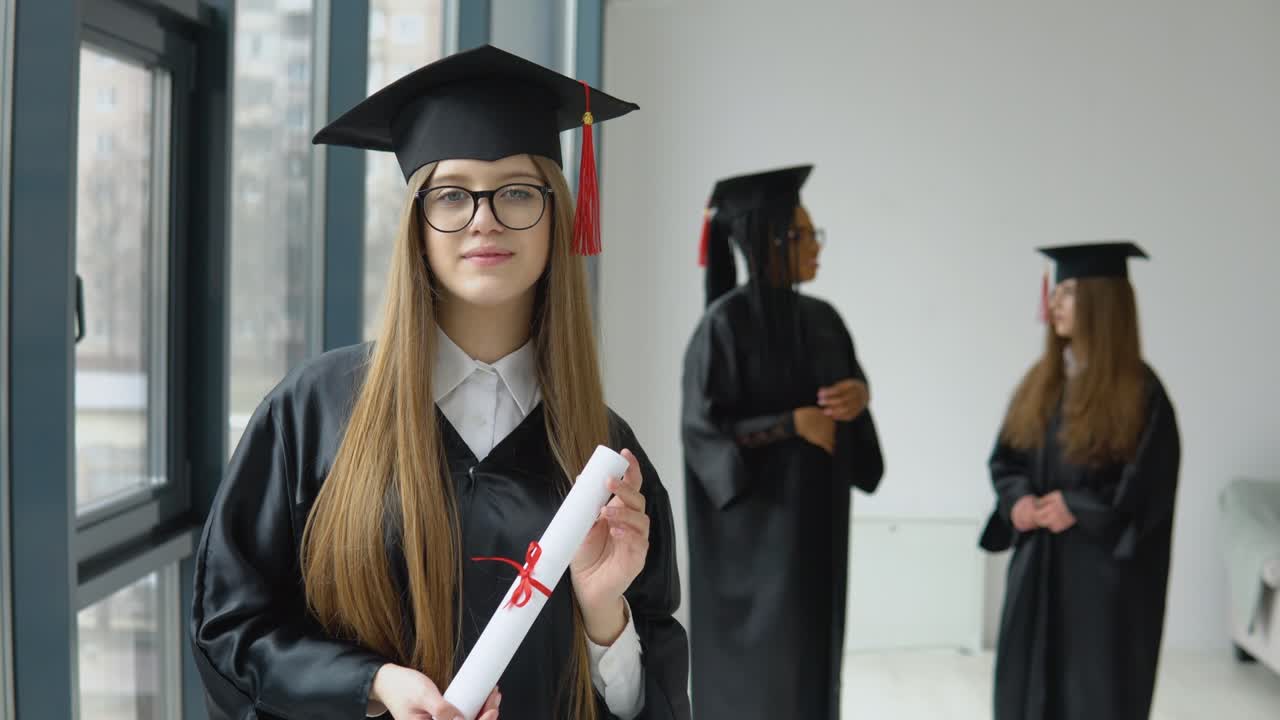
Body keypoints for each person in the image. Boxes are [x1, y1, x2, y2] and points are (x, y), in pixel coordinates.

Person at [190, 45, 691, 720]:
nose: (483, 217)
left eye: (517, 191)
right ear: (417, 227)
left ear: (556, 216)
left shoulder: (601, 457)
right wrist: (372, 686)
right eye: (452, 194)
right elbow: (231, 630)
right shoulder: (312, 413)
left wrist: (604, 615)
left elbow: (652, 697)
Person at [680, 166, 884, 719]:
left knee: (812, 669)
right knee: (763, 683)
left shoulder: (824, 320)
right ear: (768, 240)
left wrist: (856, 402)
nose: (816, 248)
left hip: (815, 533)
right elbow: (704, 438)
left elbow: (859, 445)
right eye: (803, 236)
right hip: (751, 552)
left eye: (816, 235)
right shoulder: (722, 327)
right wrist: (790, 425)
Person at [980, 241, 1181, 720]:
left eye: (1067, 293)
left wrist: (1082, 509)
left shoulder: (1141, 392)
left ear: (1102, 302)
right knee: (1026, 685)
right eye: (1056, 293)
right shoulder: (1041, 381)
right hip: (1038, 565)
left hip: (1101, 578)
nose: (1054, 304)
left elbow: (1149, 492)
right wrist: (1018, 502)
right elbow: (1006, 461)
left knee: (1094, 691)